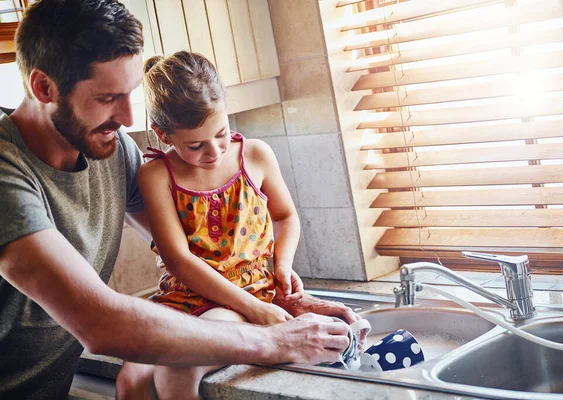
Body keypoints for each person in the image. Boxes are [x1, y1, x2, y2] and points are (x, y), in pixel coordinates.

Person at [0, 1, 357, 399]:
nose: (128, 118)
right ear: (43, 87)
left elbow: (206, 251)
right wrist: (275, 338)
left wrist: (279, 297)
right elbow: (99, 323)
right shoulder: (5, 173)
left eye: (131, 93)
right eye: (107, 98)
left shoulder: (111, 149)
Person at [116, 51, 311, 398]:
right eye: (195, 145)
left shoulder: (256, 155)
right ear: (163, 135)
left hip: (239, 298)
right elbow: (177, 260)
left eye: (221, 133)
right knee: (131, 382)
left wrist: (282, 264)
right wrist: (258, 310)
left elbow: (285, 216)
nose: (215, 151)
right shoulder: (156, 175)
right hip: (181, 299)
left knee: (180, 367)